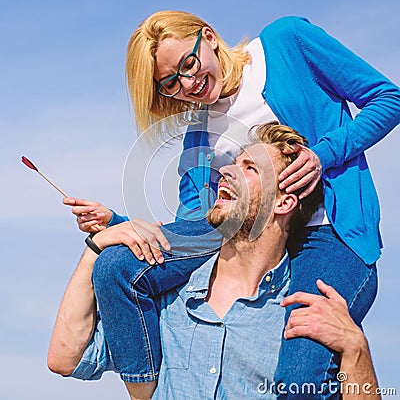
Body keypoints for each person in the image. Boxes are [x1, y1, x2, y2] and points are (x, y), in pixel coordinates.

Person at [63, 12, 400, 399]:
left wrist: (324, 154)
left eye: (188, 65)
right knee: (117, 265)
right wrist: (119, 223)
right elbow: (192, 227)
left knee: (299, 376)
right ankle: (150, 392)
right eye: (170, 84)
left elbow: (388, 98)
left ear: (208, 36)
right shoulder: (198, 138)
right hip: (244, 240)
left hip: (326, 234)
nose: (188, 85)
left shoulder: (286, 43)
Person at [49, 123, 381, 399]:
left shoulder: (309, 314)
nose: (226, 171)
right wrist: (94, 250)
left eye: (250, 168)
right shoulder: (166, 295)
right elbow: (66, 358)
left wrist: (356, 351)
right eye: (234, 163)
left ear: (284, 202)